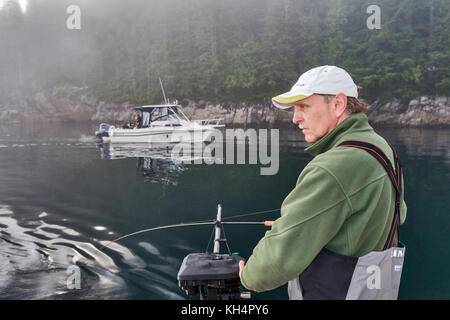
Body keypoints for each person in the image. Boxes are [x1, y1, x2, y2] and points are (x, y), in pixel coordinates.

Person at [239, 65, 407, 300]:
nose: (296, 118)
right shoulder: (383, 149)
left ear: (338, 104)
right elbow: (400, 215)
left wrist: (248, 276)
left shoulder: (332, 167)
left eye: (304, 106)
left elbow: (280, 258)